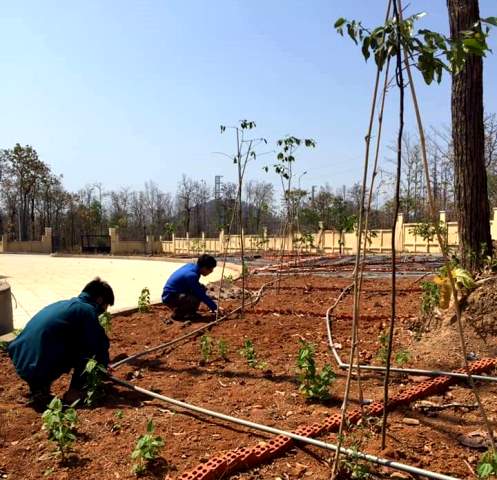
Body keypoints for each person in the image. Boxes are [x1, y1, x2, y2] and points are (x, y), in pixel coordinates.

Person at [8, 278, 114, 410]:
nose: (104, 310)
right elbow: (93, 349)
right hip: (37, 365)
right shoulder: (87, 311)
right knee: (90, 346)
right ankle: (64, 391)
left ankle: (39, 388)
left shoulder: (65, 304)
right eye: (106, 306)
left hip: (21, 357)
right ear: (100, 300)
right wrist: (81, 383)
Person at [162, 254, 219, 320]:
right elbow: (200, 294)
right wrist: (214, 307)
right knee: (194, 297)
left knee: (201, 288)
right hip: (170, 297)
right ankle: (179, 314)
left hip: (174, 293)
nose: (211, 272)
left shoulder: (192, 267)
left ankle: (190, 312)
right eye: (211, 269)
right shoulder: (191, 275)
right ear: (204, 268)